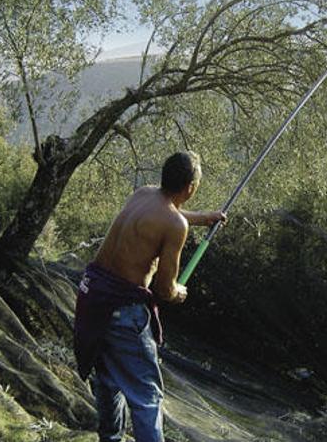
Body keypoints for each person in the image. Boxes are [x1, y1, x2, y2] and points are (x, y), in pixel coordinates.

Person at [74, 151, 226, 442]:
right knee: (147, 396)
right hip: (123, 311)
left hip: (93, 297)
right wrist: (179, 292)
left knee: (108, 380)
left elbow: (166, 215)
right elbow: (163, 290)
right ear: (190, 188)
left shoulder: (143, 193)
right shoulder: (174, 226)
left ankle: (110, 438)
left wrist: (204, 218)